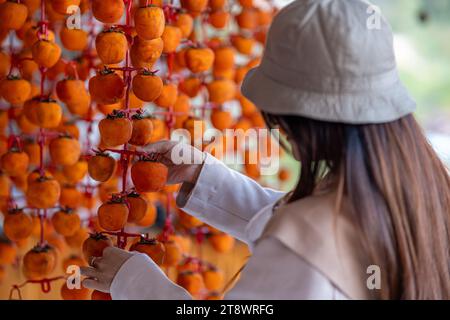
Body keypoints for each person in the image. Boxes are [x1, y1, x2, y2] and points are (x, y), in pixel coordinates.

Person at [81, 0, 450, 299]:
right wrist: (204, 175)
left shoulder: (302, 248)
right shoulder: (422, 187)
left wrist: (133, 281)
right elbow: (316, 229)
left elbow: (306, 241)